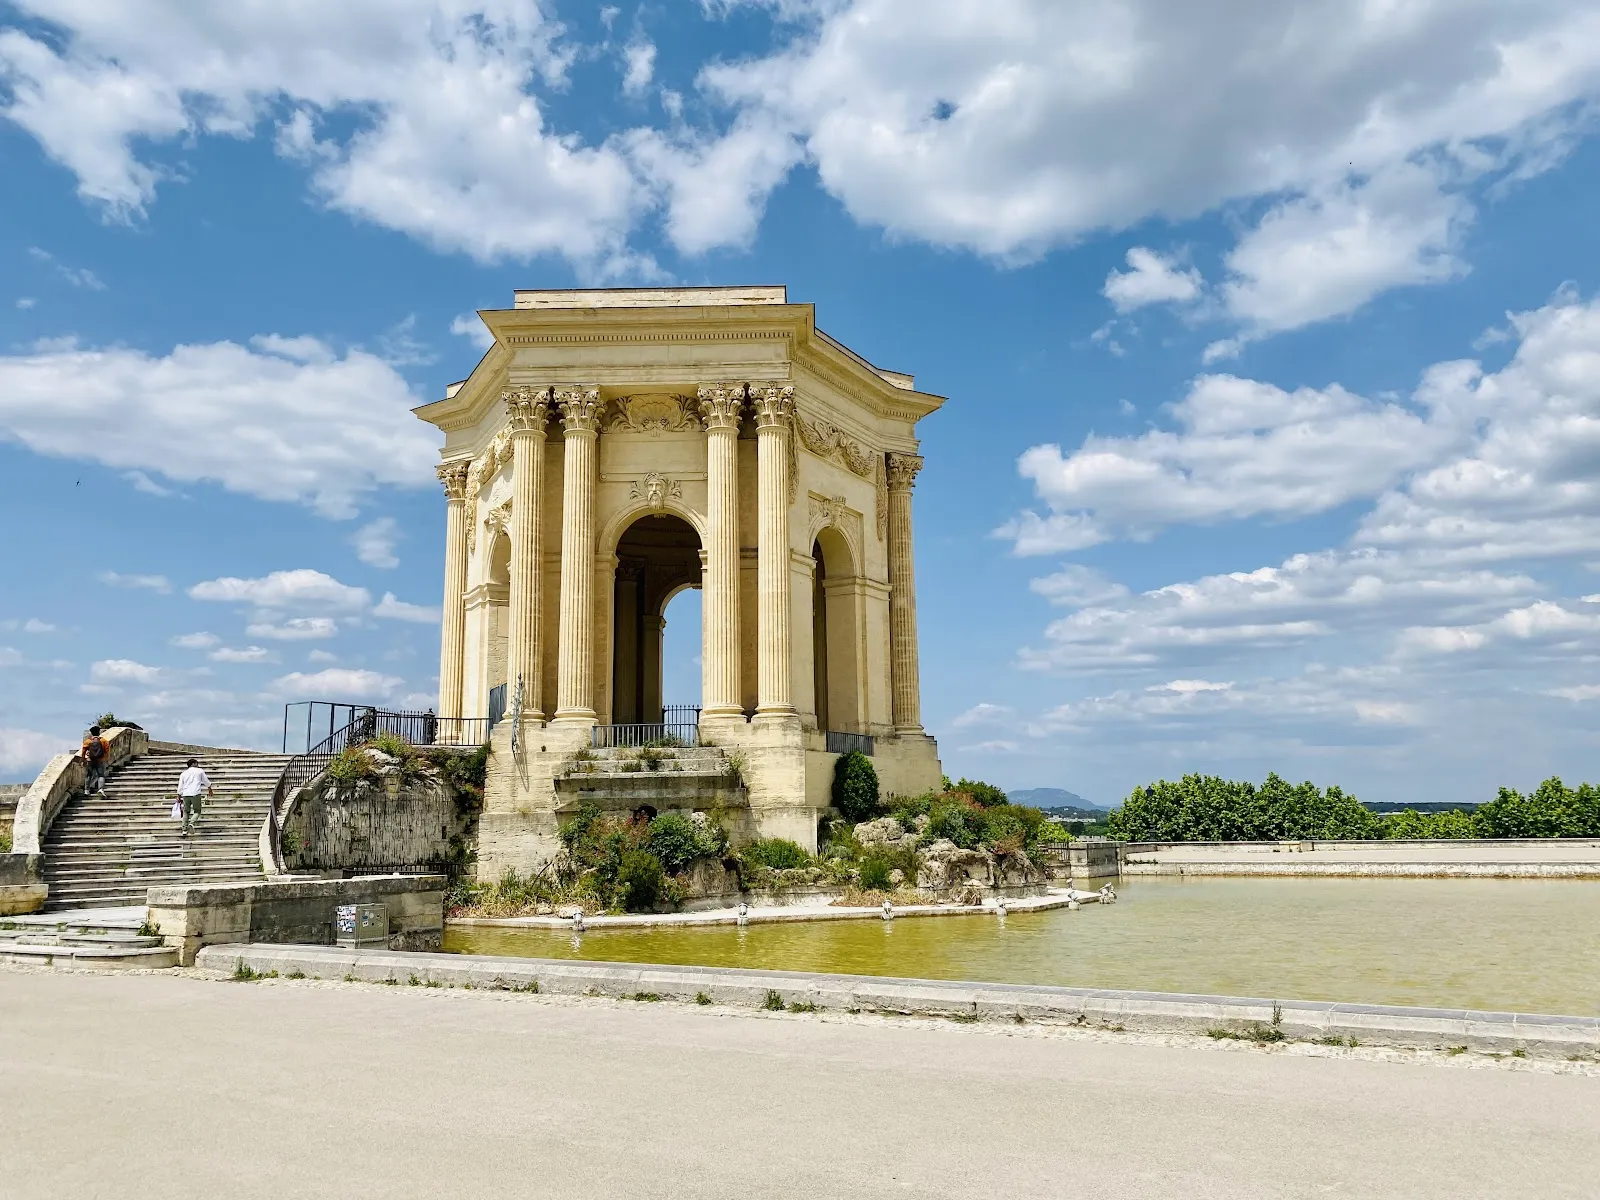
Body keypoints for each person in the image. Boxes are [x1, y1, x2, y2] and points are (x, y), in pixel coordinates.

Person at [176, 757, 214, 837]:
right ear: (193, 764)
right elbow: (206, 781)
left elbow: (180, 785)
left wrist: (179, 795)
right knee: (197, 811)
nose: (198, 765)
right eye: (197, 763)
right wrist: (210, 789)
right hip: (195, 793)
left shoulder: (183, 773)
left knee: (186, 811)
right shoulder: (200, 771)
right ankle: (192, 823)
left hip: (185, 794)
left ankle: (184, 830)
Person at [80, 725, 110, 795]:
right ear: (99, 732)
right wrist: (105, 759)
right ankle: (100, 789)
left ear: (91, 733)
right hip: (100, 760)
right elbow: (107, 751)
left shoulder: (87, 741)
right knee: (101, 775)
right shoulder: (104, 741)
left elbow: (83, 752)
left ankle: (86, 790)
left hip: (90, 760)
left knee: (88, 775)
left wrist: (83, 760)